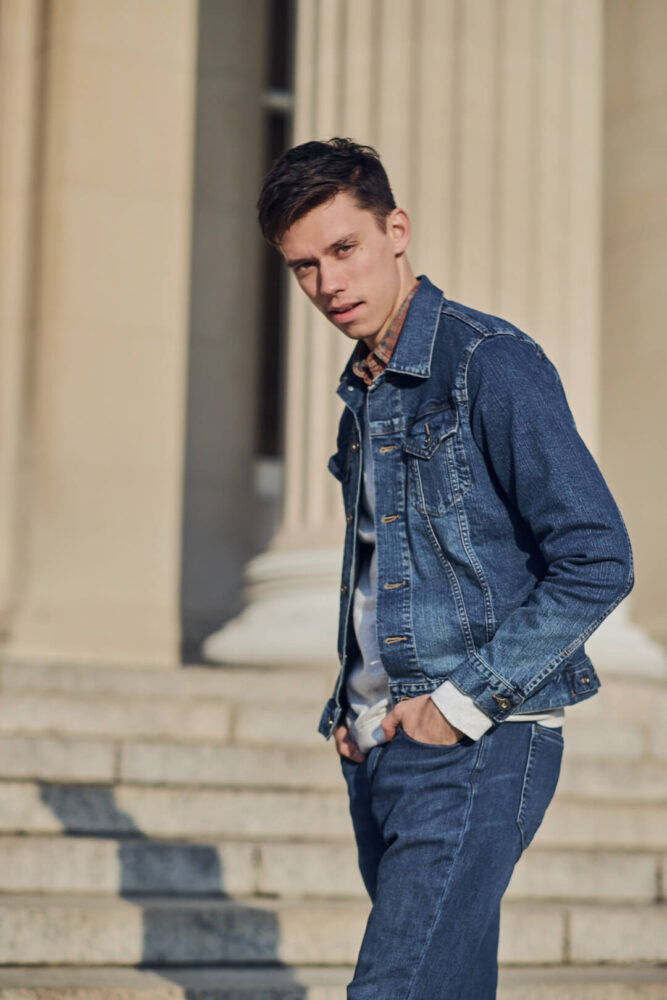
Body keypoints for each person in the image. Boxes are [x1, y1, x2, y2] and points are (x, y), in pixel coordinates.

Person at [256, 138, 634, 1000]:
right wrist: (355, 709)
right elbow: (378, 573)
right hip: (380, 746)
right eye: (302, 267)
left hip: (475, 738)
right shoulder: (364, 394)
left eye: (342, 250)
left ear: (397, 231)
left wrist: (458, 705)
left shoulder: (485, 362)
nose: (326, 285)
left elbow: (596, 559)